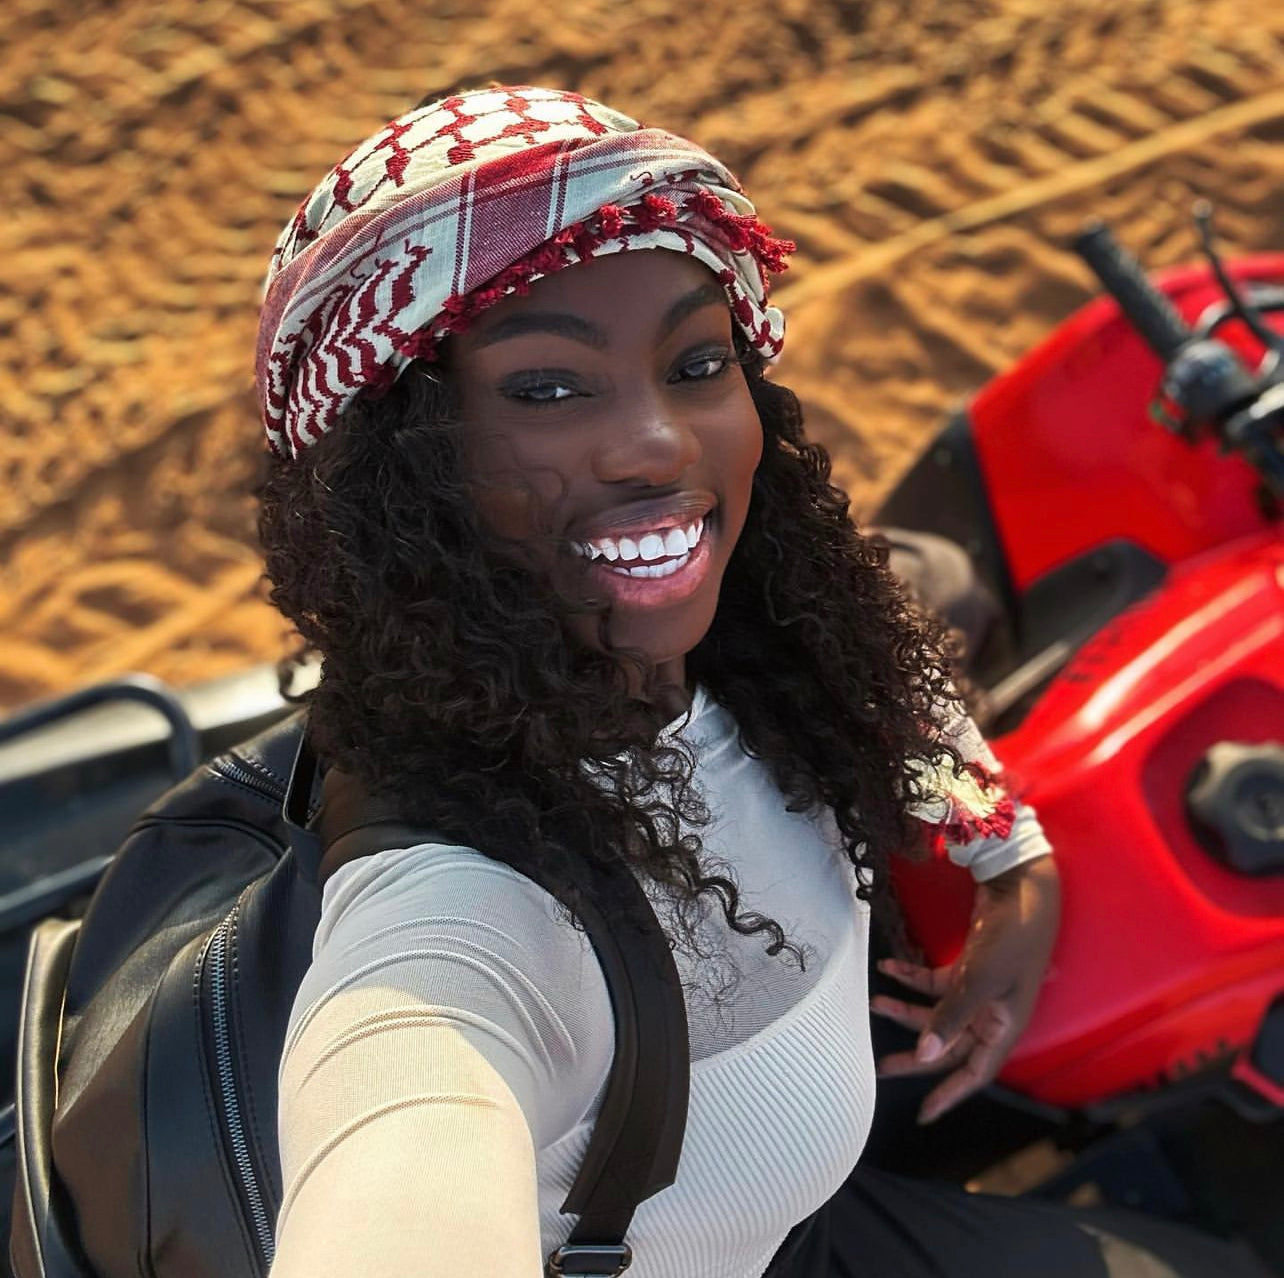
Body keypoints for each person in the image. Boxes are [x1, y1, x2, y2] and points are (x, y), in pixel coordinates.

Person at [254, 85, 1267, 1277]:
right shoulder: (455, 917)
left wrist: (1012, 861)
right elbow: (406, 1110)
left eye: (696, 362)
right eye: (547, 386)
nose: (662, 443)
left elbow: (892, 685)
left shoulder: (738, 638)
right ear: (396, 466)